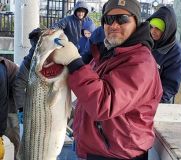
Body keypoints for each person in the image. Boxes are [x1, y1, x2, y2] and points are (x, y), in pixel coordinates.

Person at [51, 0, 163, 159]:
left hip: (118, 154)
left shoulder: (141, 62)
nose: (114, 25)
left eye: (122, 19)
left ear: (136, 22)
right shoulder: (109, 53)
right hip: (98, 149)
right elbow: (90, 88)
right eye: (108, 20)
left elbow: (103, 104)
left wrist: (74, 63)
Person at [146, 6, 181, 103]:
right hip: (135, 95)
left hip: (154, 102)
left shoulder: (178, 56)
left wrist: (150, 103)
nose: (153, 31)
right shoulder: (146, 41)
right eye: (151, 27)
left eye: (158, 29)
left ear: (167, 30)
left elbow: (169, 88)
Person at [0, 57, 20, 160]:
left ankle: (19, 157)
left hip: (13, 99)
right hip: (4, 94)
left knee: (13, 133)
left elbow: (2, 104)